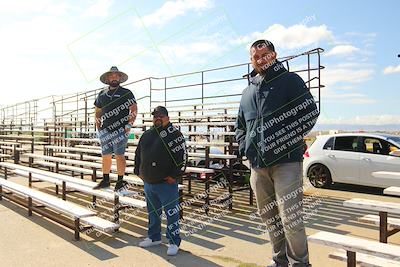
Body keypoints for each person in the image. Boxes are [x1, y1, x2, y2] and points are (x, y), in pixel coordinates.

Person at [235, 40, 319, 267]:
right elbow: (240, 126)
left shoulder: (290, 81)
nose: (261, 59)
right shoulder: (247, 92)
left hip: (286, 163)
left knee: (291, 218)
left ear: (274, 55)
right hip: (257, 166)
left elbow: (309, 113)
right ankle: (279, 260)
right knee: (269, 219)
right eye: (256, 56)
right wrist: (246, 147)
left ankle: (300, 263)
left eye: (265, 54)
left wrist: (283, 141)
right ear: (251, 60)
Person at [134, 106, 187, 256]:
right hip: (149, 182)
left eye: (161, 116)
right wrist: (138, 172)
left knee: (172, 214)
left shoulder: (175, 134)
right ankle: (154, 237)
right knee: (153, 213)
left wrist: (174, 176)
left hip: (166, 183)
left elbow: (182, 158)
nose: (158, 118)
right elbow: (138, 155)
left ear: (167, 118)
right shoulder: (147, 134)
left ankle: (173, 241)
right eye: (155, 116)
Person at [93, 66, 137, 191]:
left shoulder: (126, 92)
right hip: (105, 129)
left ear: (120, 78)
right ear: (107, 78)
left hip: (121, 129)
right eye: (111, 76)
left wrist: (129, 125)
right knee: (105, 155)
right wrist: (98, 126)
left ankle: (120, 181)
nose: (114, 77)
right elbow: (98, 110)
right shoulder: (102, 93)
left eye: (116, 75)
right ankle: (105, 180)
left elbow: (133, 109)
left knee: (119, 155)